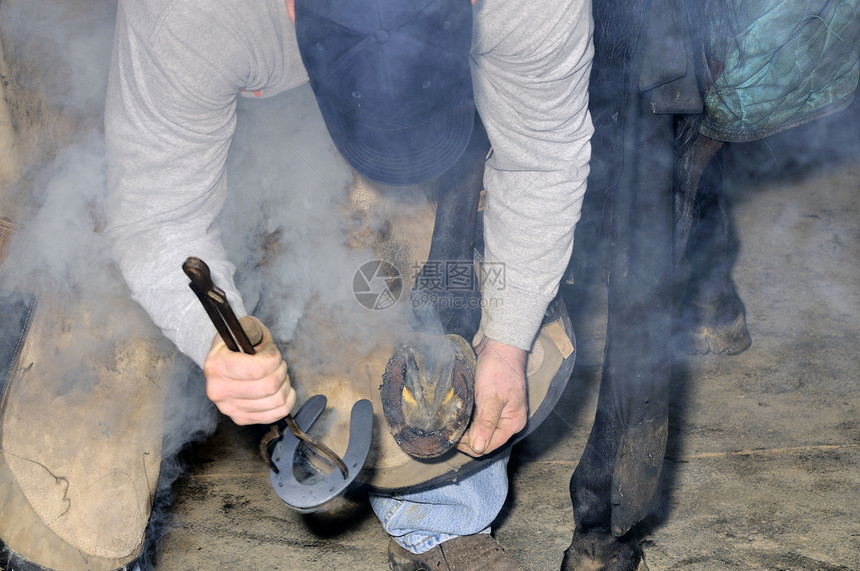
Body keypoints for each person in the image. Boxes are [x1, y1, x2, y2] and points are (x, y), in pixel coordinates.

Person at [104, 0, 593, 569]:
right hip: (203, 93)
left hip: (405, 109)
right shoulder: (187, 18)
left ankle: (439, 514)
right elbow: (157, 214)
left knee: (419, 257)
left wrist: (507, 340)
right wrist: (214, 340)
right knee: (88, 288)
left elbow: (543, 158)